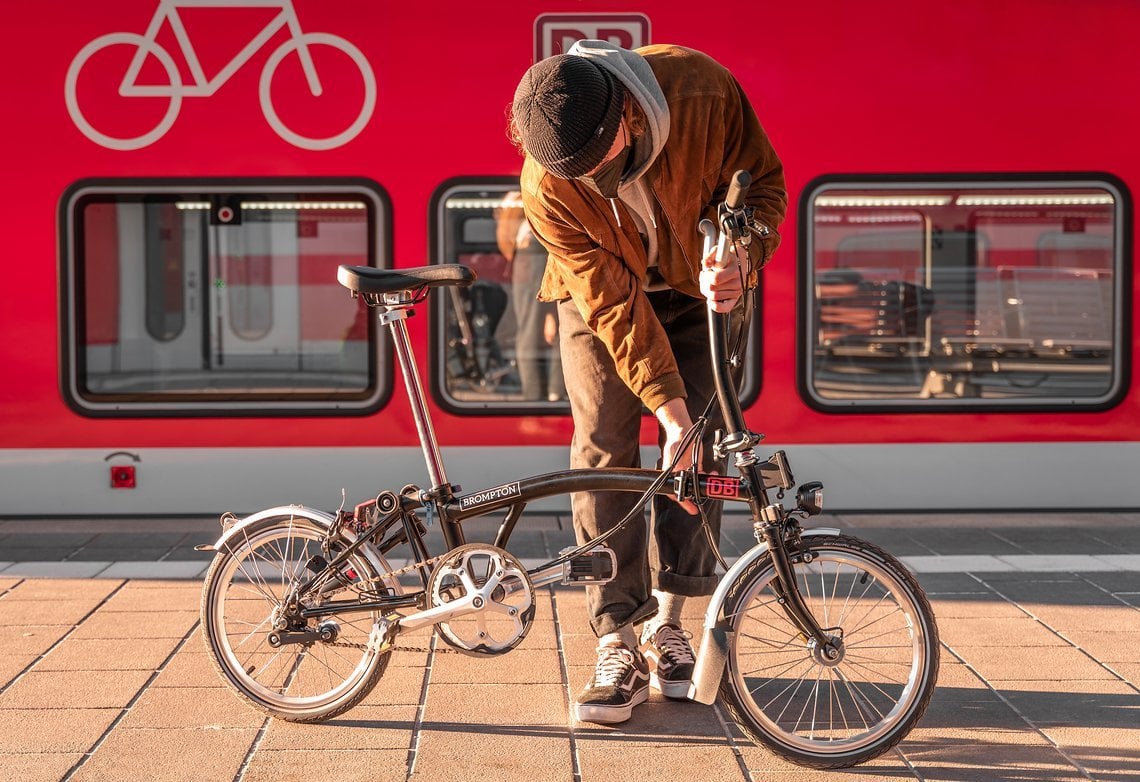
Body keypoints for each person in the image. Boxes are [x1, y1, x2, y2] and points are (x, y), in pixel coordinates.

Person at [508, 40, 786, 724]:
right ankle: (616, 637)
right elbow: (611, 305)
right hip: (599, 297)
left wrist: (742, 255)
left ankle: (671, 623)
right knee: (605, 446)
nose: (599, 184)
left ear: (631, 114)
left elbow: (766, 187)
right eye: (582, 177)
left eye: (607, 167)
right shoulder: (548, 183)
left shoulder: (703, 90)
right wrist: (663, 410)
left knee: (706, 440)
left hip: (703, 290)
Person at [495, 192, 567, 402]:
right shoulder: (538, 187)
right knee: (562, 325)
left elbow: (505, 239)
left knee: (531, 328)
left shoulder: (514, 197)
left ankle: (536, 396)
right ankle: (554, 391)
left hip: (530, 254)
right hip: (550, 250)